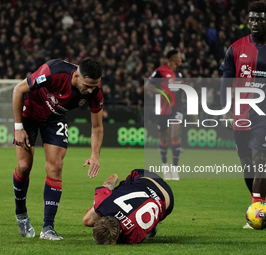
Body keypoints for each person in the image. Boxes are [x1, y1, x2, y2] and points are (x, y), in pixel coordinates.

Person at [219, 1, 266, 228]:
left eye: (259, 18)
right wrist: (226, 112)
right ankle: (257, 204)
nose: (254, 23)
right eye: (251, 18)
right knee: (246, 163)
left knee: (260, 159)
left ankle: (257, 210)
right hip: (241, 113)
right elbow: (224, 84)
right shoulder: (235, 48)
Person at [12, 58, 104, 240]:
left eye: (95, 85)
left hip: (54, 118)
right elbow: (18, 90)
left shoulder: (95, 93)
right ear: (77, 75)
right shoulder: (53, 71)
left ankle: (48, 228)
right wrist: (18, 128)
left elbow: (97, 127)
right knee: (24, 166)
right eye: (88, 85)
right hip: (28, 114)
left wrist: (95, 155)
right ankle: (21, 214)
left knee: (55, 167)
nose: (91, 90)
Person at [82, 169, 174, 244]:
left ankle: (153, 224)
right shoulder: (103, 201)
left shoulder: (133, 238)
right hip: (147, 179)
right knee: (88, 219)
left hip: (167, 202)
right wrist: (103, 203)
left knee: (87, 220)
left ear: (120, 232)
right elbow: (114, 176)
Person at [145, 49, 183, 180]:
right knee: (164, 137)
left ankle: (175, 169)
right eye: (179, 57)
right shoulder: (160, 71)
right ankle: (165, 166)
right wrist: (160, 91)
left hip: (177, 108)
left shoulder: (179, 73)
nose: (181, 59)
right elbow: (147, 86)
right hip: (162, 108)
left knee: (175, 133)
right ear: (172, 59)